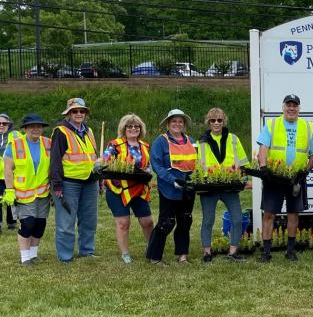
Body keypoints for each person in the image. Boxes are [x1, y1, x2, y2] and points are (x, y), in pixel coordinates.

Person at [256, 94, 313, 263]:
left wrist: (305, 172)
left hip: (295, 179)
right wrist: (263, 167)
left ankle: (290, 251)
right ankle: (266, 252)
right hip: (274, 178)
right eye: (288, 105)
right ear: (282, 107)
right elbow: (263, 147)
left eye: (295, 105)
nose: (291, 108)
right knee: (269, 214)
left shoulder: (307, 127)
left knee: (293, 214)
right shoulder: (272, 124)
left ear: (299, 108)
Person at [197, 107, 249, 264]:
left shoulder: (233, 138)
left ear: (224, 121)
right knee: (208, 220)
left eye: (219, 120)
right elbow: (196, 164)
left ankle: (233, 253)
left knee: (238, 219)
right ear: (208, 122)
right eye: (213, 120)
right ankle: (207, 253)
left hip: (229, 186)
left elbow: (243, 163)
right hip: (209, 187)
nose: (216, 123)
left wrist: (244, 180)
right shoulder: (201, 141)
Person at [49, 98, 99, 262]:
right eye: (75, 111)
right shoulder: (61, 131)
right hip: (69, 183)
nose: (79, 114)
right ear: (69, 114)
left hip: (90, 182)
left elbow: (93, 157)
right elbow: (55, 160)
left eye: (82, 111)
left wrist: (100, 178)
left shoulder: (89, 131)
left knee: (89, 220)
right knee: (66, 222)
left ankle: (87, 251)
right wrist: (56, 185)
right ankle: (65, 256)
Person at [146, 109, 197, 264]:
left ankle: (182, 255)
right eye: (174, 121)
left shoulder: (191, 140)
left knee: (185, 220)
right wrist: (171, 180)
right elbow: (157, 165)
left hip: (188, 188)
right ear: (168, 124)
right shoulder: (160, 142)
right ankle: (154, 256)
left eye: (180, 122)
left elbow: (197, 163)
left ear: (184, 124)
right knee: (166, 222)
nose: (177, 124)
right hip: (169, 188)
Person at [102, 114, 154, 264]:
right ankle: (125, 254)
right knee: (123, 222)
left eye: (136, 126)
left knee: (148, 222)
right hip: (119, 190)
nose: (133, 129)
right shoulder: (114, 145)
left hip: (139, 189)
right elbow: (105, 163)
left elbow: (148, 165)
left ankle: (152, 249)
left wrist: (148, 172)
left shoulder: (145, 146)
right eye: (129, 126)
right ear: (123, 128)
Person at [1, 114, 51, 265]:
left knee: (40, 225)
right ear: (26, 129)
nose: (36, 129)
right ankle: (24, 257)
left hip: (43, 193)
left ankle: (33, 254)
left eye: (39, 126)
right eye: (32, 126)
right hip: (23, 193)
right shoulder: (15, 145)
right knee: (28, 224)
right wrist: (9, 190)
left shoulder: (49, 143)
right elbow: (8, 169)